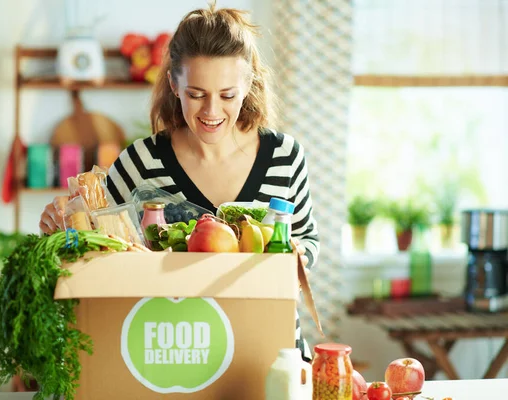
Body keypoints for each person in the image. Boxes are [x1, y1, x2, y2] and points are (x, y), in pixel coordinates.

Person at [39, 3, 319, 360]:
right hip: (172, 355)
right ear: (174, 83)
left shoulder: (285, 156)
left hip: (270, 351)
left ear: (248, 83)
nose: (211, 112)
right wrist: (61, 226)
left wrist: (298, 256)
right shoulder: (140, 163)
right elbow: (101, 247)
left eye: (227, 95)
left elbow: (308, 237)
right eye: (196, 94)